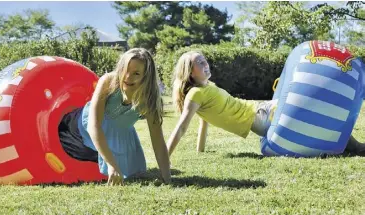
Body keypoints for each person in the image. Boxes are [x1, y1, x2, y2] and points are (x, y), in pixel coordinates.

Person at [166, 51, 365, 158]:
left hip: (261, 108)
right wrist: (164, 157)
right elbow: (182, 126)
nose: (205, 64)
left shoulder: (207, 87)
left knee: (313, 110)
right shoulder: (196, 94)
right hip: (260, 116)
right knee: (312, 109)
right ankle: (356, 147)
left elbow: (205, 119)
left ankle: (353, 145)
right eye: (199, 63)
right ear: (190, 72)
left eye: (204, 60)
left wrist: (200, 150)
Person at [58, 48, 171, 185]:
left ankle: (101, 157)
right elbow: (94, 125)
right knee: (65, 139)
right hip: (79, 129)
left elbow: (158, 141)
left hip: (119, 136)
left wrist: (167, 178)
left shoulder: (150, 100)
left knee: (129, 174)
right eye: (126, 70)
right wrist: (112, 165)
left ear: (146, 77)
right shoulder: (109, 81)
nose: (128, 77)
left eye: (136, 73)